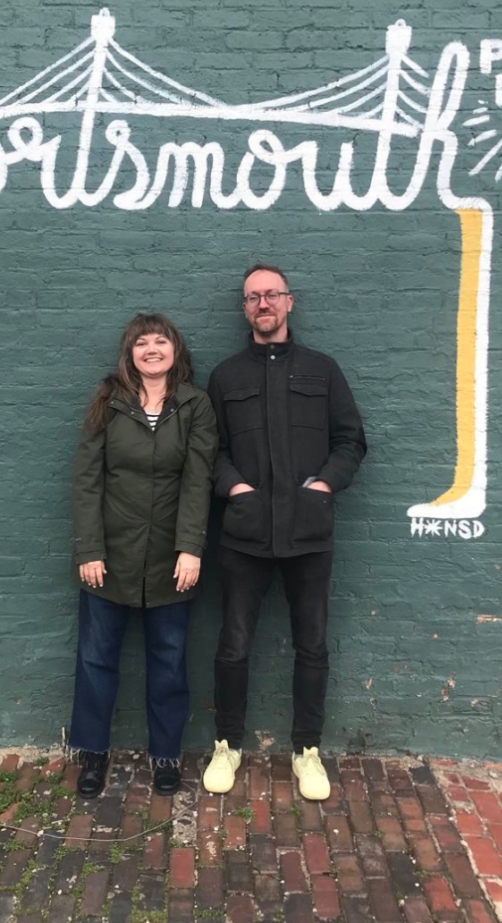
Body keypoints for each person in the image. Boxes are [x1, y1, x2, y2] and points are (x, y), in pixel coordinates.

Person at [202, 263, 366, 801]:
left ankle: (307, 750)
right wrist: (236, 490)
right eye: (253, 297)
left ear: (290, 303)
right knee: (233, 646)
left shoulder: (323, 370)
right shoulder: (226, 377)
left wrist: (324, 486)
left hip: (308, 534)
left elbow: (350, 440)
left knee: (312, 645)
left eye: (272, 294)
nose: (263, 303)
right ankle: (227, 744)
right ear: (244, 308)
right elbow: (212, 452)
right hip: (245, 535)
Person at [69, 313, 217, 798]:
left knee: (170, 661)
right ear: (129, 353)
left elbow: (198, 480)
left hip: (170, 561)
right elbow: (88, 480)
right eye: (142, 343)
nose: (151, 349)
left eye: (161, 341)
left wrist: (190, 548)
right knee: (96, 660)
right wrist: (90, 548)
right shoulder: (108, 403)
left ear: (176, 350)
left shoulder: (195, 405)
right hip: (108, 557)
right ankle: (92, 755)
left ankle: (166, 756)